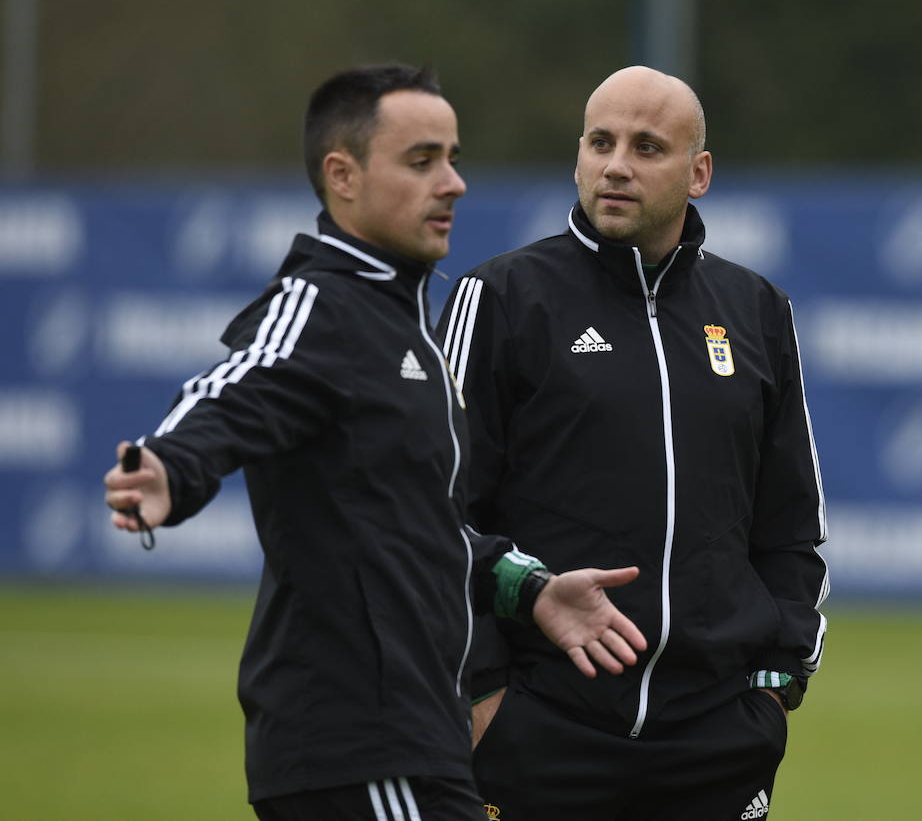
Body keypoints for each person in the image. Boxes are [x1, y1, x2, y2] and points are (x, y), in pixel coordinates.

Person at [103, 63, 647, 821]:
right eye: (422, 160)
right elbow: (233, 390)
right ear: (342, 175)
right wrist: (171, 463)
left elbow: (415, 528)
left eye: (453, 157)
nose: (453, 182)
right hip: (361, 742)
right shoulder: (320, 303)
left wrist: (530, 589)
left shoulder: (403, 321)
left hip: (414, 741)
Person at [436, 65, 829, 819]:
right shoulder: (503, 297)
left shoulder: (757, 311)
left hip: (718, 742)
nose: (616, 164)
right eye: (601, 142)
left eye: (647, 146)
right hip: (542, 736)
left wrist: (777, 686)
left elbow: (791, 526)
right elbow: (436, 514)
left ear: (699, 172)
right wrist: (486, 700)